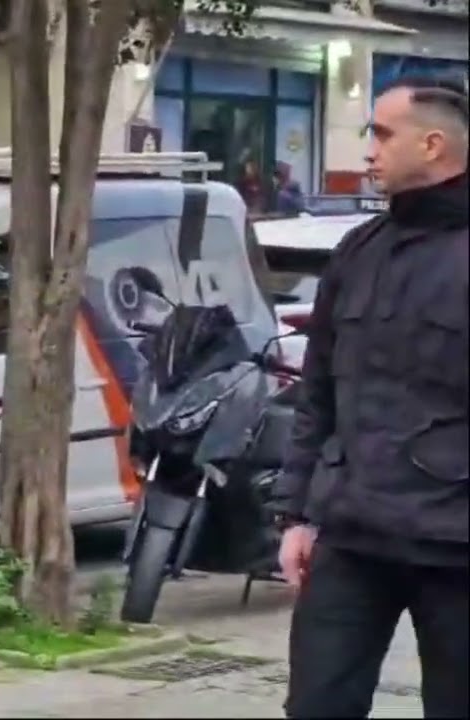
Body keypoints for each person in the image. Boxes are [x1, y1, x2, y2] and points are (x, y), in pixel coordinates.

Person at [270, 75, 468, 719]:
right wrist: (296, 514)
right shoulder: (359, 251)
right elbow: (317, 390)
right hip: (353, 533)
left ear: (433, 144)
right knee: (317, 706)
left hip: (456, 542)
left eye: (382, 134)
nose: (369, 150)